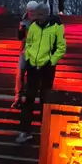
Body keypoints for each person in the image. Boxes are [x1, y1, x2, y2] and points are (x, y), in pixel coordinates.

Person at [15, 10, 66, 144]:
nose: (37, 18)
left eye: (40, 15)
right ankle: (25, 131)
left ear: (45, 15)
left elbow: (61, 47)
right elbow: (29, 43)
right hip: (33, 67)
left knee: (45, 98)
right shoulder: (33, 26)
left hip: (47, 69)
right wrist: (30, 58)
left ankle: (46, 130)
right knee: (29, 98)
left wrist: (51, 62)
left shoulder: (56, 27)